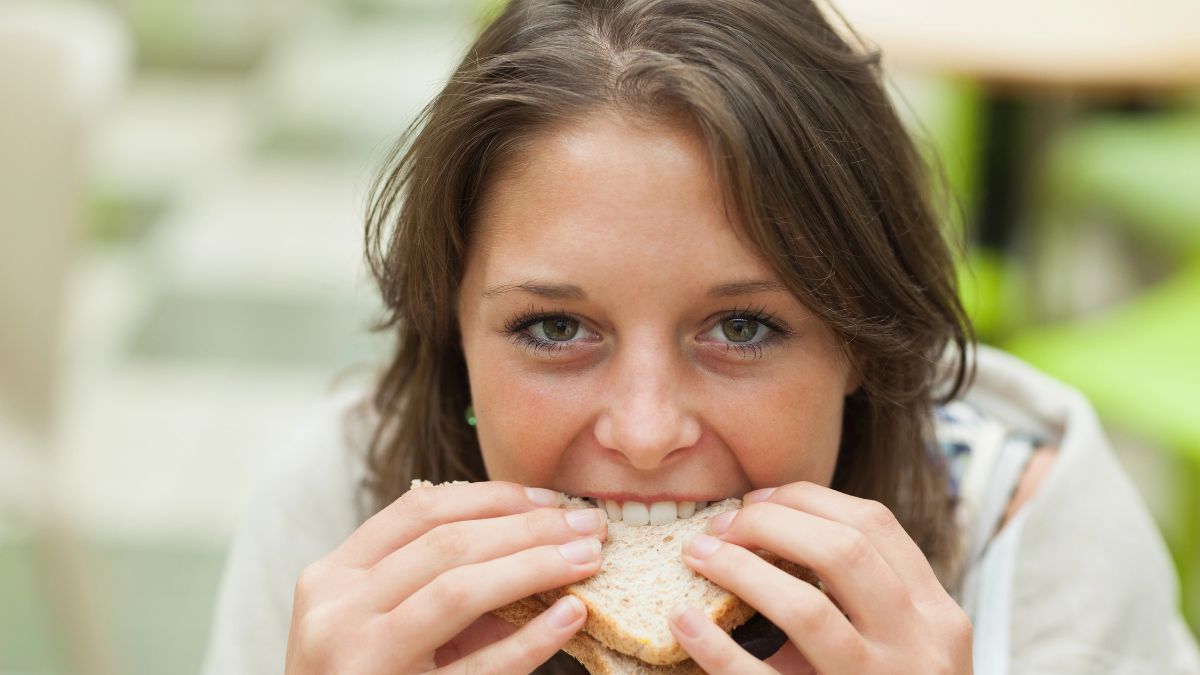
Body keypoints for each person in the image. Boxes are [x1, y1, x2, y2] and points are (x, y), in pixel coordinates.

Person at [202, 1, 1200, 673]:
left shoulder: (1040, 536)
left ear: (862, 340)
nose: (644, 434)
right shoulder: (340, 512)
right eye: (554, 327)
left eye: (742, 326)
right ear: (450, 334)